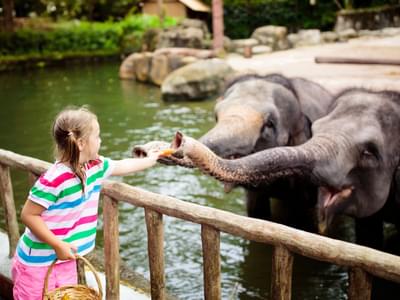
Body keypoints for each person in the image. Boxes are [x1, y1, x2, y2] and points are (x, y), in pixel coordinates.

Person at [11, 106, 166, 300]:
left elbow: (123, 165)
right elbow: (28, 215)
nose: (101, 140)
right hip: (37, 262)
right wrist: (57, 244)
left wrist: (153, 159)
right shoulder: (54, 179)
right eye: (98, 136)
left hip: (65, 259)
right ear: (82, 143)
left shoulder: (95, 167)